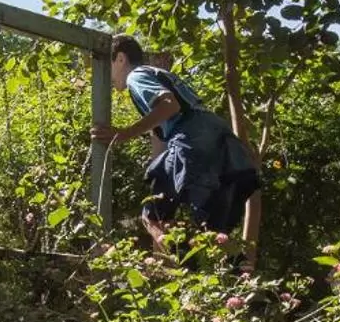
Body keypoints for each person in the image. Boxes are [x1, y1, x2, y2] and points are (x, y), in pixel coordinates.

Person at [92, 36, 259, 250]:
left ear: (121, 58)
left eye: (107, 65)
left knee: (152, 215)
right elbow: (164, 131)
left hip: (193, 137)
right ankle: (232, 273)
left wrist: (125, 133)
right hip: (222, 142)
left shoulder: (137, 76)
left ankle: (178, 263)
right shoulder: (161, 75)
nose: (106, 76)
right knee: (212, 229)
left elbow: (170, 106)